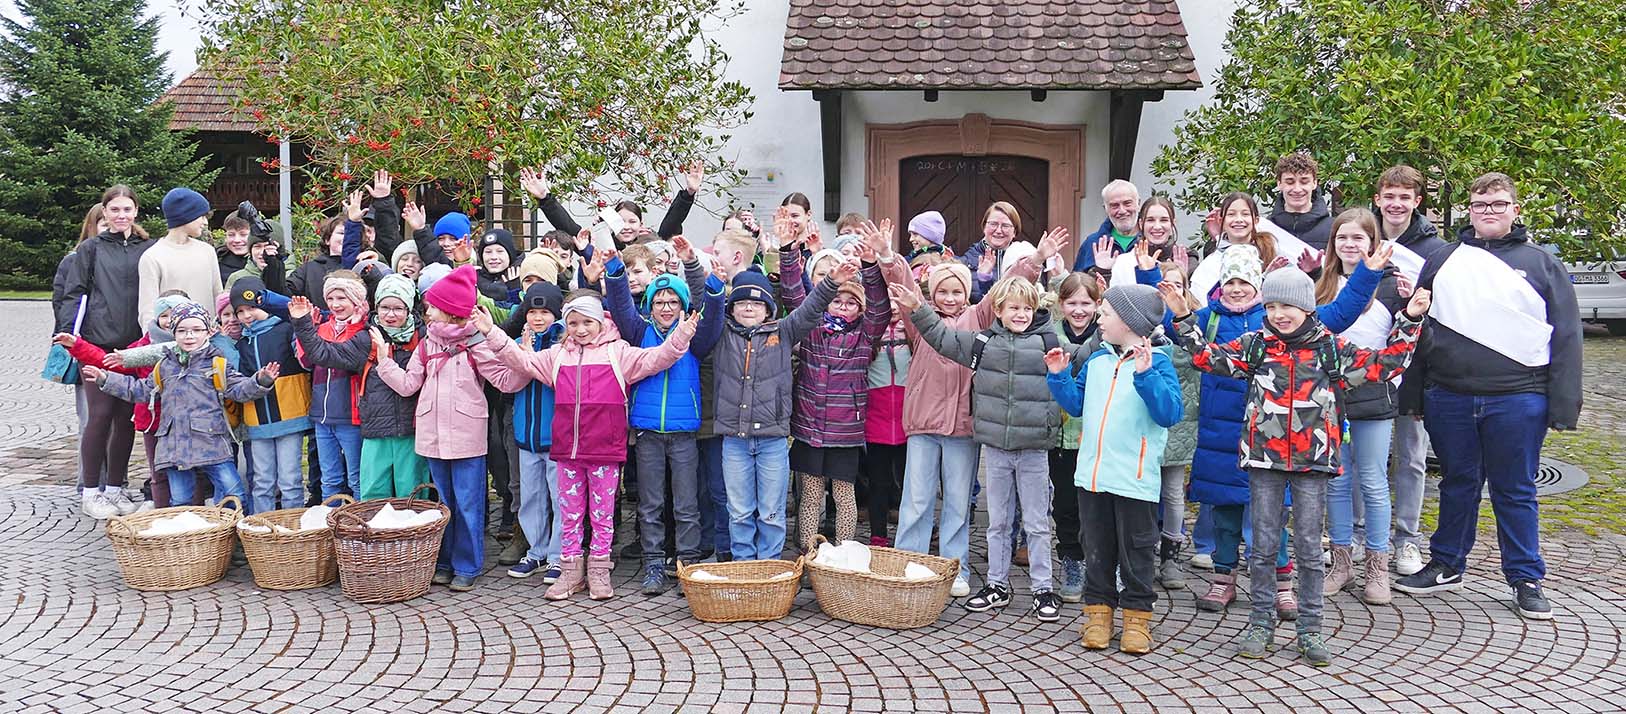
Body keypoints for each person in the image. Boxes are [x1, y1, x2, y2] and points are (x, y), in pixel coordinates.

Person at [1165, 265, 1428, 666]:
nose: (1278, 313)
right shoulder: (1257, 345)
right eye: (1271, 305)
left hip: (1312, 461)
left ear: (1306, 306)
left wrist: (1409, 319)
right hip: (1263, 460)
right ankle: (1260, 623)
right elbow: (1208, 357)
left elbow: (1384, 365)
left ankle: (1310, 629)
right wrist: (1183, 316)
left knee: (1308, 546)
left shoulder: (1330, 348)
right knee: (1264, 545)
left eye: (1287, 305)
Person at [1393, 173, 1581, 621]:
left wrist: (1563, 403)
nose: (1489, 212)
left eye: (1498, 204)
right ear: (1470, 211)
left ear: (1515, 209)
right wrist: (1414, 395)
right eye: (1481, 205)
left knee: (1514, 488)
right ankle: (1446, 564)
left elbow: (1567, 335)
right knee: (1457, 483)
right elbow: (1421, 329)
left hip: (1517, 397)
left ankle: (1525, 577)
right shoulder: (1443, 258)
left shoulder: (1540, 264)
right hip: (1450, 394)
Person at [896, 230, 1080, 622]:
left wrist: (1040, 261)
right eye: (1011, 308)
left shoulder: (1046, 341)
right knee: (996, 521)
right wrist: (916, 306)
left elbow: (1082, 352)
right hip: (994, 444)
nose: (1018, 314)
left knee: (1034, 521)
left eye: (1025, 309)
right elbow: (940, 337)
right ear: (997, 310)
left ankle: (1042, 588)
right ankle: (995, 582)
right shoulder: (982, 342)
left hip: (1031, 447)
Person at [494, 296, 698, 600]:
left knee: (601, 517)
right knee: (570, 515)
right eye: (573, 323)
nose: (580, 329)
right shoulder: (557, 355)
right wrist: (489, 331)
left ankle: (600, 571)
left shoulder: (619, 353)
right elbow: (520, 360)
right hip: (567, 452)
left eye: (587, 322)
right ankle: (570, 573)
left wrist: (681, 336)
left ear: (600, 322)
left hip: (604, 451)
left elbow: (657, 358)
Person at [879, 233, 1046, 597]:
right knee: (917, 499)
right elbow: (905, 285)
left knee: (957, 501)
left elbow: (1005, 289)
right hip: (923, 423)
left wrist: (1036, 261)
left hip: (963, 425)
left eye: (957, 292)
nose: (950, 298)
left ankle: (955, 568)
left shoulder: (979, 317)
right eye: (943, 292)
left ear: (967, 293)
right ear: (932, 294)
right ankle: (910, 561)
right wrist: (888, 256)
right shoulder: (919, 321)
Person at [374, 266, 530, 591]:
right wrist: (385, 361)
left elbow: (507, 381)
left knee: (469, 504)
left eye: (432, 306)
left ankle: (467, 565)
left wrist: (520, 358)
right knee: (442, 504)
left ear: (450, 311)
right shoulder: (427, 344)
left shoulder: (477, 344)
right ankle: (442, 562)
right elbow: (407, 385)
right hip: (432, 438)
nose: (426, 311)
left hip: (467, 439)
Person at [1046, 284, 1183, 653]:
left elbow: (1170, 413)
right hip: (1092, 475)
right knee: (1097, 547)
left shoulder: (1161, 361)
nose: (1099, 319)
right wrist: (1059, 376)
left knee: (1136, 550)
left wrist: (1146, 374)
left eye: (1105, 313)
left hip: (1135, 479)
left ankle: (1138, 619)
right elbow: (1076, 405)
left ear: (1129, 321)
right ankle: (1098, 614)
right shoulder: (1096, 360)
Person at [603, 249, 726, 594]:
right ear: (650, 306)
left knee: (686, 504)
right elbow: (620, 302)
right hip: (647, 434)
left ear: (683, 305)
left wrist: (715, 283)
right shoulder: (638, 332)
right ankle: (653, 564)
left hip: (683, 434)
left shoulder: (693, 336)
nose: (667, 307)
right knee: (651, 503)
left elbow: (714, 318)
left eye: (673, 300)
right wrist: (614, 267)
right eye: (660, 301)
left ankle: (685, 563)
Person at [83, 301, 280, 509]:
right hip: (174, 446)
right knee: (180, 501)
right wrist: (107, 380)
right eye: (183, 331)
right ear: (174, 333)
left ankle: (235, 534)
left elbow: (239, 389)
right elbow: (140, 390)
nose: (189, 336)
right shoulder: (165, 365)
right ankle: (187, 537)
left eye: (196, 330)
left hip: (211, 443)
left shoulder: (216, 363)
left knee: (234, 493)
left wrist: (261, 381)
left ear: (208, 331)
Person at [713, 262, 846, 561]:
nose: (749, 308)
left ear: (769, 309)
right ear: (731, 308)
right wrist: (702, 273)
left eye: (757, 302)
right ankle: (745, 566)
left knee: (772, 512)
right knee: (739, 511)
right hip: (734, 440)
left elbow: (810, 309)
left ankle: (770, 567)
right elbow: (703, 301)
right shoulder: (721, 333)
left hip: (772, 439)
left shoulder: (783, 331)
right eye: (742, 302)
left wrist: (831, 283)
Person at [1314, 209, 1410, 604]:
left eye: (1358, 238)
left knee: (1371, 480)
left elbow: (1404, 339)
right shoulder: (1319, 284)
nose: (1350, 245)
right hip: (1329, 396)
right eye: (1342, 238)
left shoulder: (1390, 285)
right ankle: (1340, 560)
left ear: (1372, 243)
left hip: (1373, 394)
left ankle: (1377, 565)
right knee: (1336, 479)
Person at [781, 221, 892, 555]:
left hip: (845, 432)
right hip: (809, 429)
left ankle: (843, 553)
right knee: (811, 497)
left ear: (860, 309)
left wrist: (871, 266)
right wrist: (789, 253)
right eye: (837, 302)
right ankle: (808, 553)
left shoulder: (864, 337)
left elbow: (882, 308)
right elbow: (794, 295)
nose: (843, 308)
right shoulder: (812, 330)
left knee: (845, 497)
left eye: (851, 304)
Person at [56, 185, 153, 518]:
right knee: (99, 417)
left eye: (127, 210)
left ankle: (116, 487)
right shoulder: (91, 249)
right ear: (105, 212)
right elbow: (73, 294)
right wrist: (71, 335)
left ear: (136, 212)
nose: (121, 216)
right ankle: (92, 490)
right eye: (115, 210)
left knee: (125, 420)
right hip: (96, 344)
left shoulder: (147, 248)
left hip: (133, 347)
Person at [1373, 164, 1449, 576]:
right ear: (1378, 198)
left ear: (1417, 201)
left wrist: (1417, 304)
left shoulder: (1435, 250)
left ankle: (1405, 539)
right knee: (1365, 457)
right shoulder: (1365, 238)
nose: (1396, 203)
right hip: (1368, 366)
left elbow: (1449, 313)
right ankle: (1361, 537)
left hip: (1415, 367)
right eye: (1390, 195)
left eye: (1405, 197)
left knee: (1411, 458)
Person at [228, 278, 313, 513]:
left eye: (252, 308)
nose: (247, 316)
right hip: (256, 420)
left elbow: (306, 361)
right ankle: (263, 530)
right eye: (240, 311)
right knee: (262, 481)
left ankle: (293, 528)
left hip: (290, 414)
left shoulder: (286, 328)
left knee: (290, 480)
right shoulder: (240, 342)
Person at [1045, 272, 1104, 602]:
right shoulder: (1048, 336)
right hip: (1061, 438)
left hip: (1095, 434)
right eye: (1072, 303)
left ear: (1097, 305)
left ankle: (1101, 562)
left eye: (1085, 303)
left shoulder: (1108, 335)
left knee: (1096, 505)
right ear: (1060, 305)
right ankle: (1072, 559)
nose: (1078, 310)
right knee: (1065, 504)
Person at [289, 270, 372, 498]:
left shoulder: (362, 330)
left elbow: (344, 358)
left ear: (356, 300)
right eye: (331, 298)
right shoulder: (322, 328)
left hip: (350, 417)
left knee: (356, 477)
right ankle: (332, 527)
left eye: (342, 298)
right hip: (322, 416)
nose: (335, 304)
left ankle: (359, 527)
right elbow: (306, 362)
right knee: (330, 479)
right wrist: (304, 327)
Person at [504, 282, 566, 584]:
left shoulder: (564, 343)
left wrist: (531, 357)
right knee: (530, 496)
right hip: (525, 433)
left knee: (560, 498)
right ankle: (536, 549)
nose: (538, 318)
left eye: (545, 312)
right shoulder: (517, 342)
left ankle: (558, 555)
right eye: (532, 312)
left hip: (555, 436)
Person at [1149, 260, 1203, 590]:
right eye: (1162, 286)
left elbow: (1192, 359)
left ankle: (1171, 553)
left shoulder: (1190, 324)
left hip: (1179, 422)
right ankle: (1143, 547)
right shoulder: (1146, 323)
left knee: (1172, 493)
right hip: (1149, 419)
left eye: (1176, 285)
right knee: (1143, 490)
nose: (1170, 292)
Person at [518, 162, 702, 249]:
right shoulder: (599, 244)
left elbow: (671, 222)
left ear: (641, 225)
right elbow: (568, 227)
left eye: (632, 221)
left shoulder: (652, 244)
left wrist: (689, 194)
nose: (627, 227)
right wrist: (544, 198)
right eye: (621, 221)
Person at [357, 274, 427, 500]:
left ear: (409, 309)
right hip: (376, 426)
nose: (390, 314)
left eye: (398, 308)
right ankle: (375, 534)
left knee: (413, 490)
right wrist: (303, 324)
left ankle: (416, 534)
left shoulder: (423, 337)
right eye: (384, 307)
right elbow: (327, 353)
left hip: (410, 428)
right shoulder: (365, 337)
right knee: (373, 490)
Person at [138, 187, 222, 330]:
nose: (205, 222)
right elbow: (148, 311)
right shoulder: (153, 256)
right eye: (201, 216)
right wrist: (153, 344)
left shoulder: (207, 251)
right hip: (171, 342)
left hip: (208, 339)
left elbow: (218, 296)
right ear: (185, 216)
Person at [289, 192, 365, 309]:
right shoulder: (309, 269)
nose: (346, 238)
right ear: (327, 239)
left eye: (349, 234)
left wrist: (354, 223)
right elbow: (285, 292)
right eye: (341, 233)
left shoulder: (363, 266)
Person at [1269, 152, 1335, 253]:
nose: (1297, 189)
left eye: (1304, 182)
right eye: (1290, 182)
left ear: (1314, 183)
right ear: (1279, 184)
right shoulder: (1265, 228)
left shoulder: (1334, 228)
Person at [1072, 179, 1142, 274]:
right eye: (1114, 205)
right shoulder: (1092, 243)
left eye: (1127, 203)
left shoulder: (1151, 240)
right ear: (1105, 209)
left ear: (1138, 203)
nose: (1122, 210)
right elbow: (1077, 284)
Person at [962, 201, 1024, 300]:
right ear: (984, 227)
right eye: (993, 224)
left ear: (1014, 232)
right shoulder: (966, 262)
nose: (999, 230)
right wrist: (984, 279)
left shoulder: (1024, 261)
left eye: (1005, 226)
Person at [218, 214, 252, 286]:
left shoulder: (263, 261)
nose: (237, 240)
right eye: (231, 235)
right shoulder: (217, 259)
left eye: (243, 234)